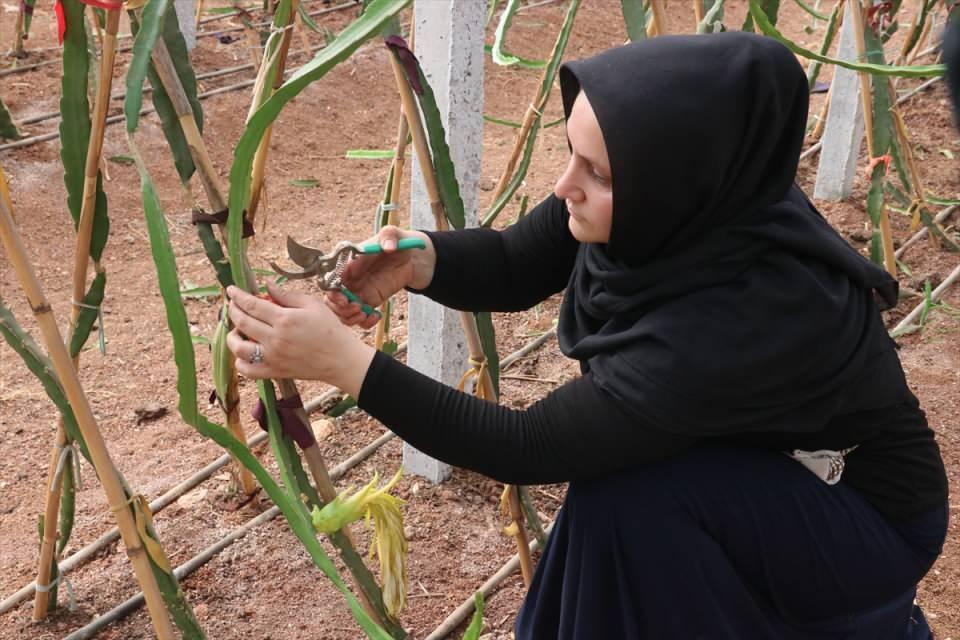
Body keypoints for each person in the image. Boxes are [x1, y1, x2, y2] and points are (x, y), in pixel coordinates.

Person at [226, 33, 948, 639]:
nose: (567, 184)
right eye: (571, 153)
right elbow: (516, 259)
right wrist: (417, 262)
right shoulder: (684, 208)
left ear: (671, 179)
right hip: (765, 466)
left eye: (595, 171)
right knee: (628, 495)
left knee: (629, 501)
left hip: (862, 519)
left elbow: (525, 447)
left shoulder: (742, 321)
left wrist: (344, 363)